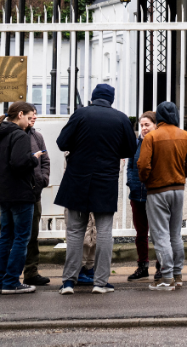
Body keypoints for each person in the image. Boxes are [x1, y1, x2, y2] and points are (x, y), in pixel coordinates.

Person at [55, 84, 136, 295]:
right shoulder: (121, 119)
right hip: (105, 181)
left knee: (74, 232)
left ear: (93, 97)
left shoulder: (80, 114)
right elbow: (130, 149)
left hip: (77, 180)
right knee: (105, 233)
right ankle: (100, 282)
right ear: (111, 99)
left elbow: (62, 143)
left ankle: (68, 282)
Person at [138, 102, 187, 291]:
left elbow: (143, 165)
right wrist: (179, 175)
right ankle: (177, 275)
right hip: (178, 189)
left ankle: (167, 277)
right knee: (175, 234)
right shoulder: (185, 135)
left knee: (161, 235)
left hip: (157, 190)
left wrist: (147, 179)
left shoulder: (152, 137)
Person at [0, 102, 44, 295]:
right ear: (20, 115)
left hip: (4, 193)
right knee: (21, 238)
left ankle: (2, 279)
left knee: (5, 237)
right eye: (28, 117)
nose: (30, 121)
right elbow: (18, 163)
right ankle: (11, 282)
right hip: (20, 193)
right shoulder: (19, 135)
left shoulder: (2, 133)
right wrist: (34, 158)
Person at [126, 111, 158, 282]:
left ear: (155, 125)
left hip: (154, 194)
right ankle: (143, 266)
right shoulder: (136, 143)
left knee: (158, 232)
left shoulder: (158, 142)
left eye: (147, 124)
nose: (144, 128)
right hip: (136, 194)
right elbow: (130, 166)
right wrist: (131, 184)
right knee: (140, 233)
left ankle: (161, 266)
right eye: (142, 125)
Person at [22, 108, 51, 288]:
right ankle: (7, 275)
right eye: (31, 114)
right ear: (21, 115)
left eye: (35, 113)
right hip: (13, 194)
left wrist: (43, 179)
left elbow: (45, 160)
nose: (35, 117)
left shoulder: (37, 136)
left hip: (34, 193)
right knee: (10, 235)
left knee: (32, 235)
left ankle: (31, 273)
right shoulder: (10, 134)